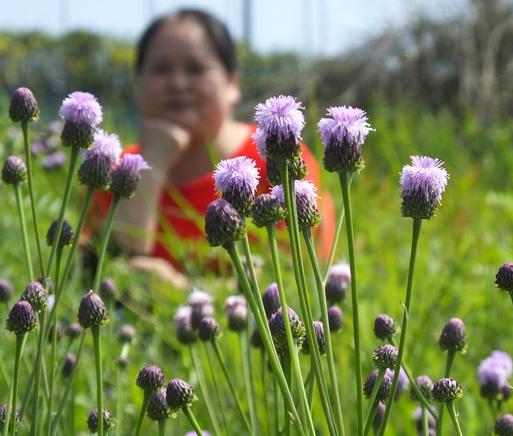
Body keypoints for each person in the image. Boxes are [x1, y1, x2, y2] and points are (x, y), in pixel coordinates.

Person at [88, 9, 334, 286]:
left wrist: (182, 290)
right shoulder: (114, 167)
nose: (178, 83)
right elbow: (108, 266)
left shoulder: (276, 157)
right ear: (138, 84)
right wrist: (150, 163)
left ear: (232, 84)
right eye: (161, 69)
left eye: (196, 68)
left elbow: (302, 275)